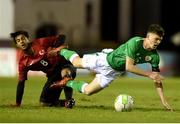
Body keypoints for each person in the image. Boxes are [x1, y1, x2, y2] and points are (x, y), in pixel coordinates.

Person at [51, 24, 173, 111]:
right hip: (105, 60)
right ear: (148, 36)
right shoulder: (135, 43)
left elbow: (157, 79)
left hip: (113, 72)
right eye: (156, 38)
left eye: (160, 40)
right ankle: (62, 51)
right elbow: (129, 67)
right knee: (77, 63)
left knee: (88, 91)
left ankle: (67, 82)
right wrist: (149, 74)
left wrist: (163, 100)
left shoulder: (154, 56)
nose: (158, 42)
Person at [10, 30, 76, 108]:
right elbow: (21, 83)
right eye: (18, 41)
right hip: (53, 74)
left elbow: (62, 37)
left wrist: (55, 49)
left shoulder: (40, 42)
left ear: (28, 39)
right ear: (17, 45)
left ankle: (68, 98)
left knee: (65, 75)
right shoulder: (23, 62)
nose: (21, 41)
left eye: (23, 38)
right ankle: (66, 103)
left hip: (64, 63)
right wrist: (18, 103)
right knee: (44, 103)